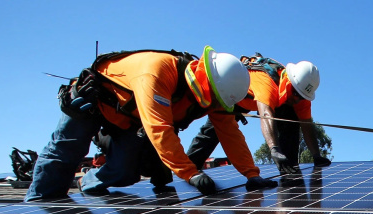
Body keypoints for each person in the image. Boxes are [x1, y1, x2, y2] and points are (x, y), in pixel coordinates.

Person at [25, 46, 277, 201]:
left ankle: (86, 184)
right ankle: (37, 206)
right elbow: (159, 129)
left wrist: (251, 175)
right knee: (65, 152)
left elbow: (230, 134)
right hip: (92, 103)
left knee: (125, 171)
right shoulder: (157, 71)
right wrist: (191, 174)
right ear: (205, 82)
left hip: (128, 121)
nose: (212, 108)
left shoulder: (217, 95)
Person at [185, 55, 330, 176]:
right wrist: (274, 149)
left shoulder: (301, 95)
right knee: (213, 131)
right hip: (236, 95)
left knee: (291, 120)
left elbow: (307, 125)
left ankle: (289, 168)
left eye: (302, 96)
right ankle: (189, 169)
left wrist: (316, 156)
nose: (297, 99)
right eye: (296, 93)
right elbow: (266, 114)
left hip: (270, 102)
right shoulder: (266, 82)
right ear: (289, 81)